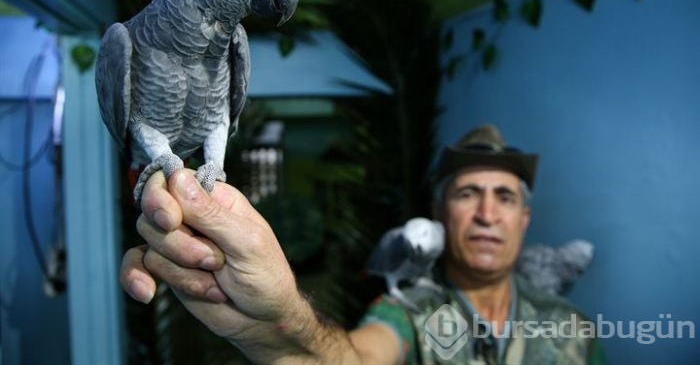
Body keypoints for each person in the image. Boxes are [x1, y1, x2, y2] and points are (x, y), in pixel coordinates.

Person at [121, 124, 606, 364]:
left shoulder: (573, 326)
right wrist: (278, 322)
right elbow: (352, 359)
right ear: (440, 214)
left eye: (504, 197)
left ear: (525, 220)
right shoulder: (408, 311)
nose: (486, 214)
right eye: (467, 194)